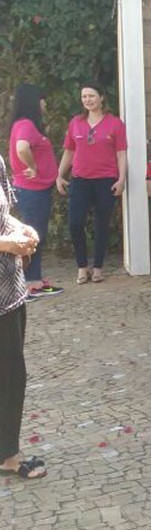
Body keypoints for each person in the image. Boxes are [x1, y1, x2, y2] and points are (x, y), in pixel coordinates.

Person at [0, 155, 45, 481]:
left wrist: (23, 230)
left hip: (10, 290)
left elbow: (5, 216)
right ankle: (8, 456)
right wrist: (8, 243)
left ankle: (6, 453)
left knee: (12, 375)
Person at [56, 84, 127, 285]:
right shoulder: (76, 123)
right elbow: (69, 151)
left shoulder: (115, 124)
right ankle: (82, 266)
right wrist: (59, 175)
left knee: (102, 224)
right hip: (80, 180)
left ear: (101, 98)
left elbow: (121, 153)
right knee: (75, 223)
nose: (88, 99)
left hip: (106, 180)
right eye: (84, 96)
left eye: (92, 96)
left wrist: (121, 179)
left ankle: (98, 268)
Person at [8, 83, 62, 299]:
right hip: (32, 190)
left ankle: (35, 279)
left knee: (36, 234)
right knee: (34, 236)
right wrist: (32, 166)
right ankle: (30, 284)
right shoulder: (27, 125)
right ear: (34, 101)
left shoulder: (22, 124)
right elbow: (22, 148)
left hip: (34, 190)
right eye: (42, 99)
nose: (44, 103)